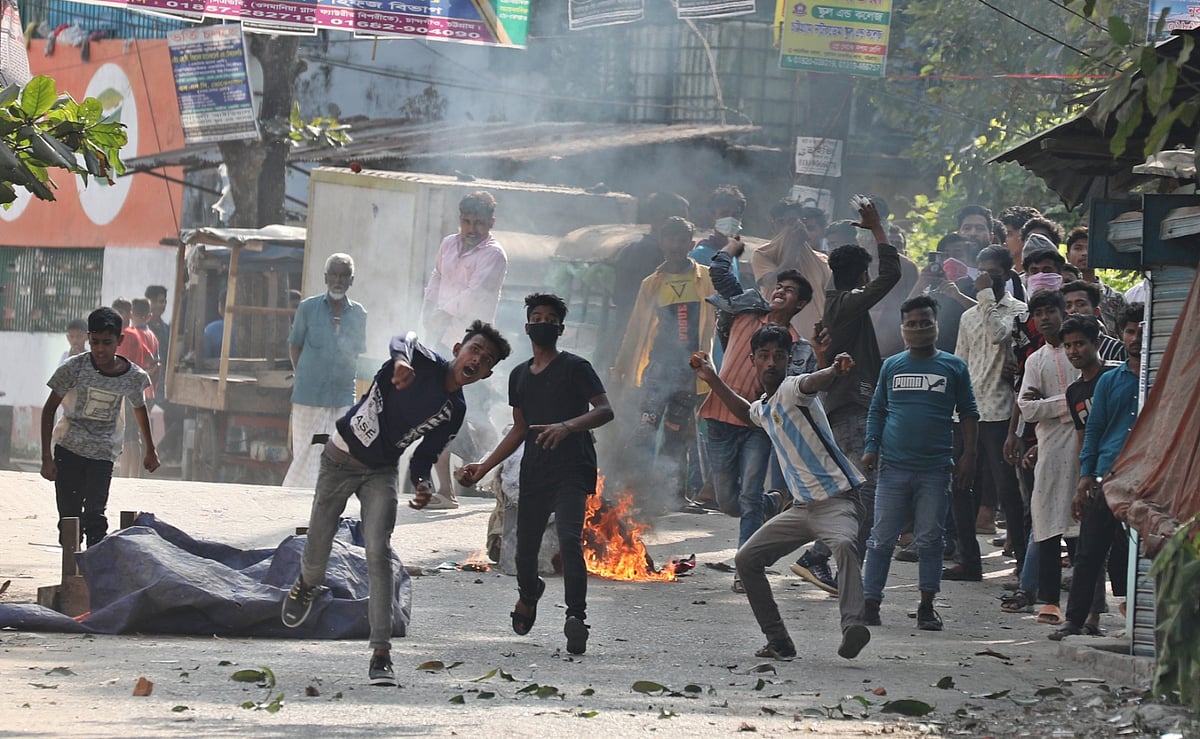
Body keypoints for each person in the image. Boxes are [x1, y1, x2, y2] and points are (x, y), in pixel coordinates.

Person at [281, 322, 511, 687]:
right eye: (475, 349)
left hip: (382, 472)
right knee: (319, 545)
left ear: (486, 374)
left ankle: (381, 654)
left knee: (378, 554)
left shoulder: (454, 410)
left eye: (486, 360)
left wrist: (422, 484)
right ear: (458, 348)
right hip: (339, 459)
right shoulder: (422, 361)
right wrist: (402, 362)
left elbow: (425, 456)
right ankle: (307, 584)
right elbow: (403, 338)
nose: (477, 359)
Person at [692, 328, 870, 661]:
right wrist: (713, 380)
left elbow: (811, 382)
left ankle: (853, 626)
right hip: (801, 509)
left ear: (788, 361)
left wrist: (833, 369)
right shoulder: (766, 406)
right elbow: (748, 413)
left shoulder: (792, 389)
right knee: (747, 560)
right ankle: (779, 641)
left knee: (844, 545)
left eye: (778, 356)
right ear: (752, 361)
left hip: (837, 501)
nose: (771, 363)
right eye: (763, 356)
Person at [457, 294, 613, 656]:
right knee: (523, 555)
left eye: (550, 318)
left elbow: (605, 410)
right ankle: (530, 592)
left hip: (573, 466)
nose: (543, 323)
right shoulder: (519, 375)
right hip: (536, 471)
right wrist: (484, 466)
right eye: (537, 317)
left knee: (570, 541)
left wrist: (567, 426)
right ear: (528, 327)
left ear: (560, 328)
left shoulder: (576, 367)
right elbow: (518, 429)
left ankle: (577, 617)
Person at [790, 196, 898, 582]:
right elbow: (891, 277)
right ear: (861, 276)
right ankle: (822, 557)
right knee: (865, 491)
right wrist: (877, 228)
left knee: (855, 490)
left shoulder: (836, 307)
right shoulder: (847, 304)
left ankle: (835, 563)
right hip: (852, 407)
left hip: (849, 405)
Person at [703, 236, 816, 592]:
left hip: (757, 425)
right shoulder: (746, 311)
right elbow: (719, 274)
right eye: (778, 286)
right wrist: (731, 250)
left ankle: (745, 569)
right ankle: (773, 503)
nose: (780, 292)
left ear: (801, 304)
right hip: (719, 416)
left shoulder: (796, 348)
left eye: (790, 291)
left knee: (749, 497)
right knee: (727, 501)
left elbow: (792, 392)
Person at [861, 295, 979, 631]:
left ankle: (927, 607)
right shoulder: (892, 366)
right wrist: (871, 447)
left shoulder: (954, 366)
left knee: (930, 540)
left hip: (936, 469)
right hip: (893, 468)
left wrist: (969, 454)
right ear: (902, 328)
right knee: (881, 538)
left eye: (925, 322)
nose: (918, 328)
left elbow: (969, 412)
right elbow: (878, 410)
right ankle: (871, 602)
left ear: (935, 325)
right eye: (911, 323)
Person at [1049, 305, 1142, 640]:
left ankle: (1140, 623)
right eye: (1130, 331)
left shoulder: (1163, 380)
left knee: (1138, 554)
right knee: (1089, 552)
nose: (1137, 338)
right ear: (1121, 335)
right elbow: (1094, 431)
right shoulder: (1108, 382)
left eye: (1142, 330)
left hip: (1148, 478)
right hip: (1107, 475)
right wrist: (1084, 478)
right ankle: (1074, 620)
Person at [612, 216, 715, 512]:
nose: (675, 246)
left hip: (690, 371)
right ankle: (634, 493)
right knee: (646, 429)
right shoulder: (652, 283)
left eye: (682, 240)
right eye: (670, 240)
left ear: (691, 244)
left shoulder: (706, 278)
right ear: (661, 243)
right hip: (658, 369)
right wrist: (621, 368)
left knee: (678, 432)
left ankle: (674, 496)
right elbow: (635, 329)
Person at [40, 307, 159, 548]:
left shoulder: (131, 376)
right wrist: (46, 457)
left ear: (119, 341)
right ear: (88, 338)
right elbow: (49, 409)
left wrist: (150, 449)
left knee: (95, 516)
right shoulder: (74, 368)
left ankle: (95, 577)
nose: (100, 349)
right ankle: (71, 576)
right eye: (94, 342)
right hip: (69, 450)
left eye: (107, 342)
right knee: (69, 520)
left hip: (103, 454)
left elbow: (140, 409)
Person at [422, 191, 509, 506]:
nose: (472, 229)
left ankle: (499, 470)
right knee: (442, 415)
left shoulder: (494, 255)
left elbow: (473, 296)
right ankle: (447, 489)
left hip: (476, 350)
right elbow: (436, 276)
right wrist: (428, 307)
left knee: (472, 419)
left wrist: (441, 312)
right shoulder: (448, 244)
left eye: (479, 223)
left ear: (491, 223)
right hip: (444, 343)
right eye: (466, 222)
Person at [948, 246, 1026, 581]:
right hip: (968, 414)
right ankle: (969, 559)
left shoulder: (1018, 311)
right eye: (980, 272)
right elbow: (959, 363)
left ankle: (1025, 564)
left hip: (1001, 414)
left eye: (992, 273)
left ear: (1008, 275)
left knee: (1008, 490)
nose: (984, 278)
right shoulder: (968, 317)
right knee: (960, 486)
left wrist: (983, 293)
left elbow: (998, 335)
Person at [1016, 289, 1080, 626]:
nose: (1044, 318)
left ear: (1062, 312)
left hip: (1084, 447)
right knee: (1047, 522)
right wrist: (1070, 404)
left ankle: (1088, 606)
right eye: (1037, 313)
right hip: (1051, 448)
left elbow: (1095, 397)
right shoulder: (1035, 360)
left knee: (1081, 526)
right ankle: (1049, 602)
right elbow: (1026, 408)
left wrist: (1052, 405)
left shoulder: (1082, 351)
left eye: (1049, 311)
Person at [282, 254, 368, 489]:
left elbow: (356, 353)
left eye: (344, 275)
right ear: (326, 278)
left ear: (351, 280)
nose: (338, 280)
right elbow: (295, 345)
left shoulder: (359, 314)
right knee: (305, 453)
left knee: (337, 450)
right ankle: (298, 502)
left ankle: (327, 501)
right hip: (308, 397)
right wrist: (302, 376)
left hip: (341, 396)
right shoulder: (308, 308)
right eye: (334, 274)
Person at [1063, 227, 1126, 335]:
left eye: (1090, 248)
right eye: (1078, 248)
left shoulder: (1115, 298)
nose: (1085, 253)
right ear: (1068, 256)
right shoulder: (1061, 295)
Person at [1060, 280, 1127, 365]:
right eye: (1068, 306)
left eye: (1081, 304)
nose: (1073, 310)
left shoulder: (1116, 349)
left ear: (1096, 311)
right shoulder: (1059, 351)